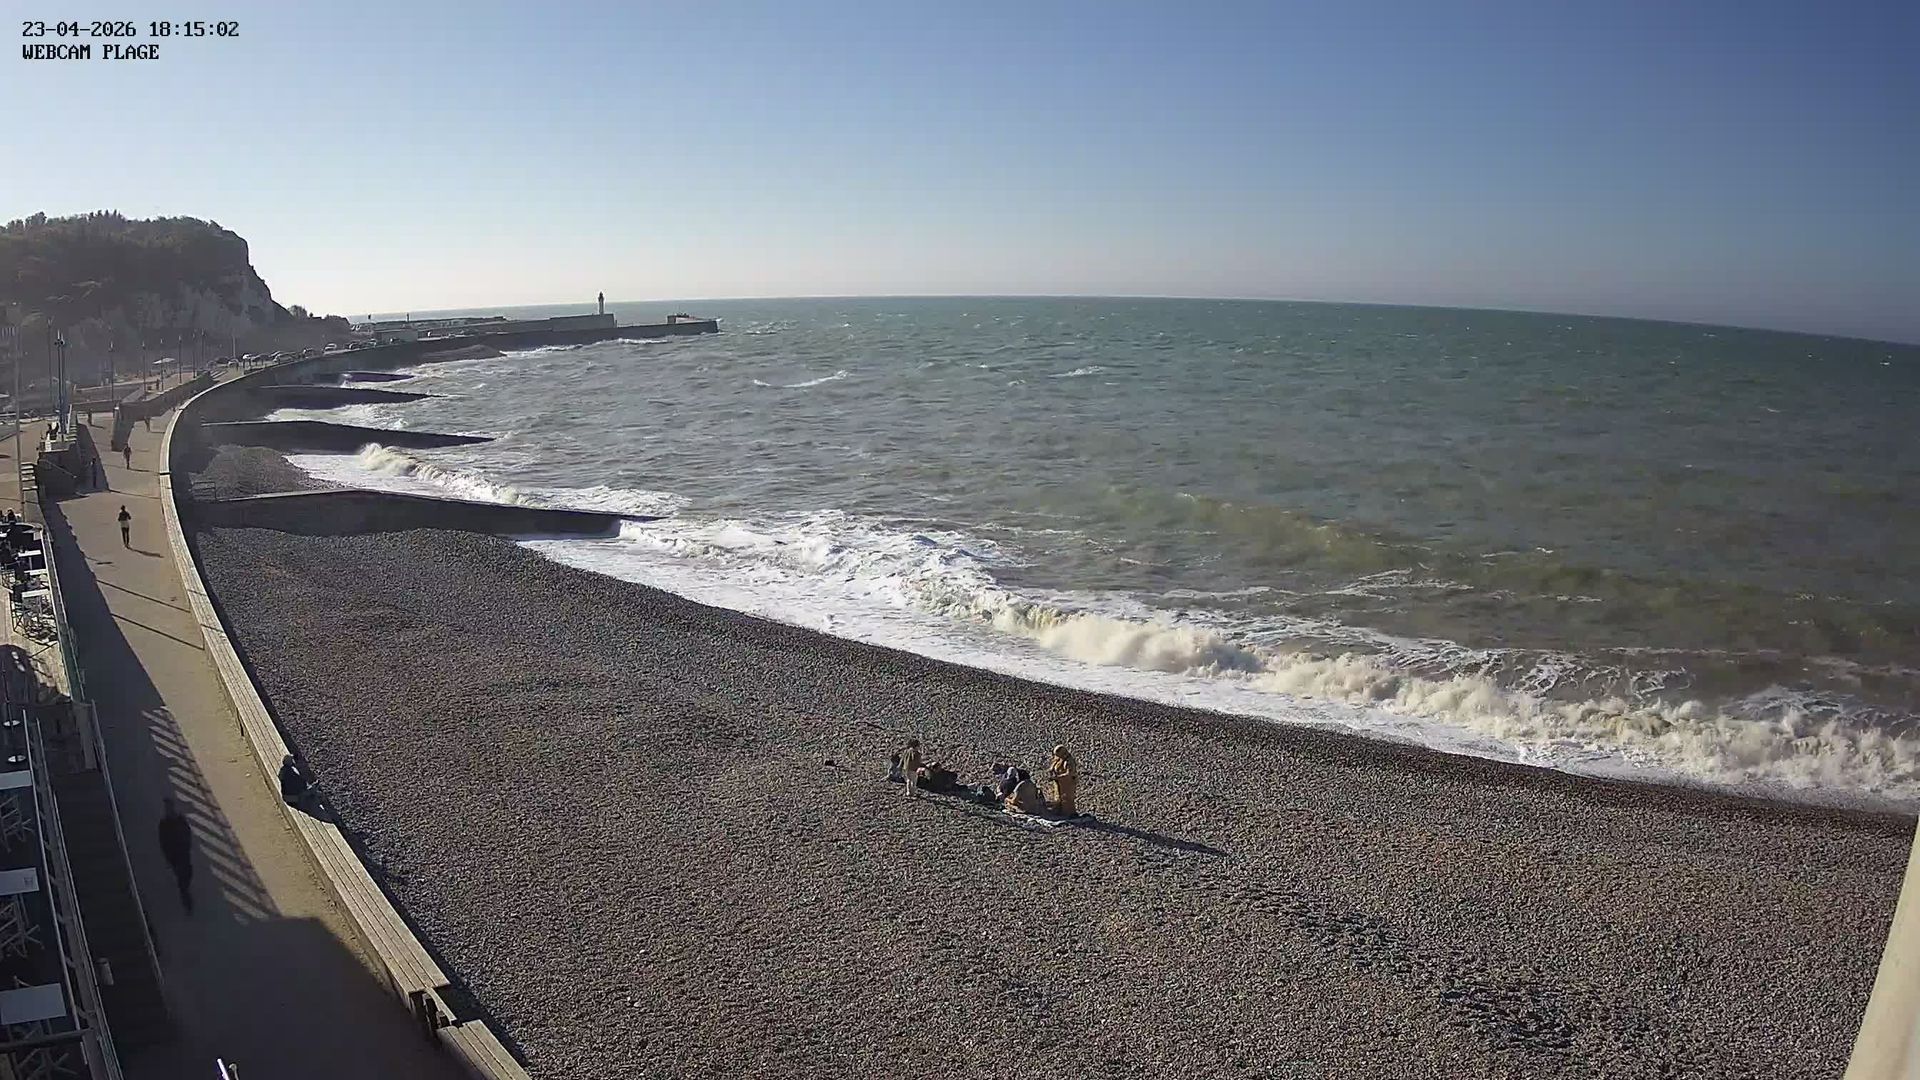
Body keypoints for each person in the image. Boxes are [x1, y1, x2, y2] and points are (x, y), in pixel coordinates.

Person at [157, 796, 194, 913]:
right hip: (175, 854)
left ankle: (185, 892)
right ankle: (186, 898)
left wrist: (188, 844)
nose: (170, 810)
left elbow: (187, 832)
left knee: (188, 873)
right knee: (182, 876)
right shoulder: (164, 824)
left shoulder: (179, 820)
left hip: (183, 851)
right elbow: (163, 841)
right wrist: (167, 857)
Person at [1048, 744, 1080, 816]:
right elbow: (1053, 766)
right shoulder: (1058, 759)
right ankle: (1059, 811)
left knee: (1067, 798)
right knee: (1058, 797)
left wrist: (1058, 777)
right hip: (1059, 783)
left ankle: (1069, 813)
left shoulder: (1069, 761)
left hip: (1067, 783)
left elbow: (1069, 774)